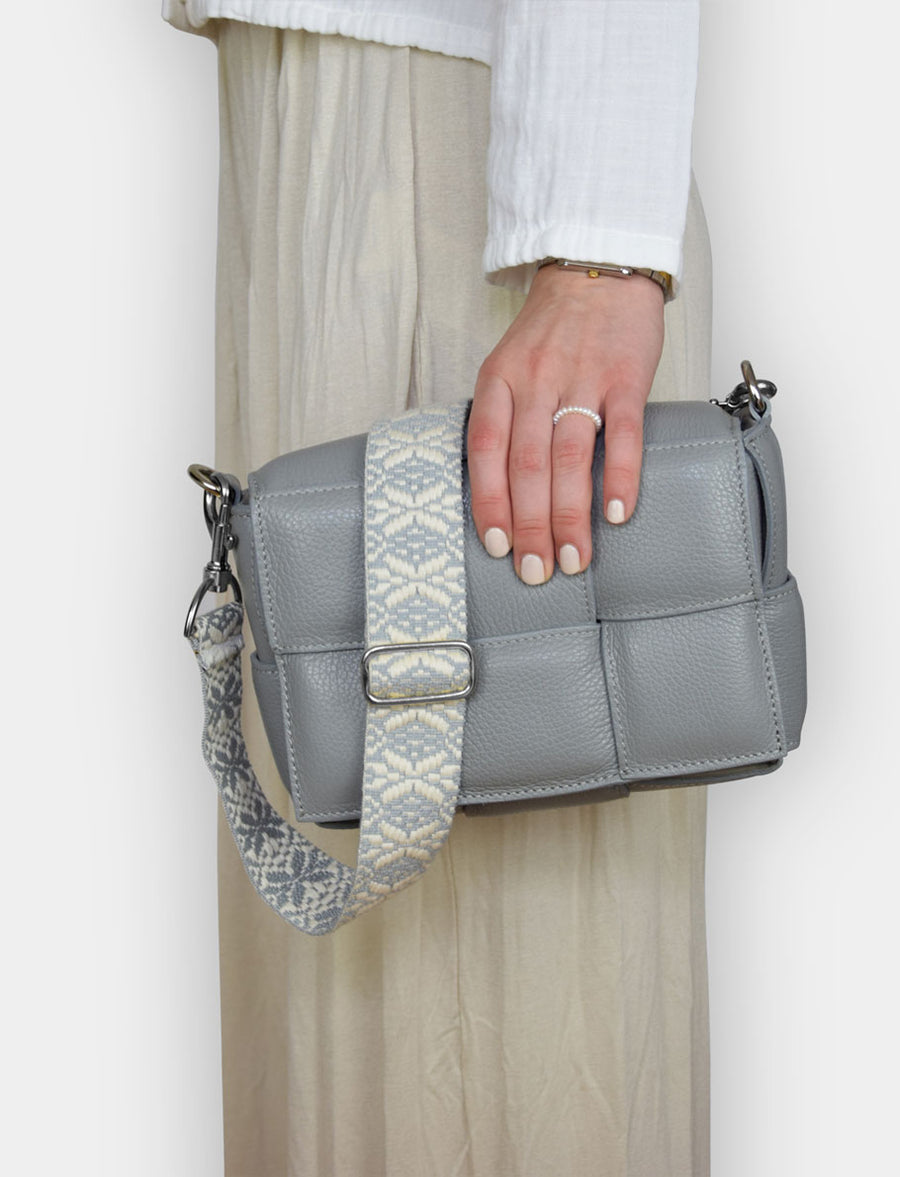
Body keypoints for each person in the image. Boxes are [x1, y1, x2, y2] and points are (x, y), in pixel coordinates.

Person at [165, 2, 712, 1173]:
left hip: (465, 153)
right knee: (350, 999)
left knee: (518, 986)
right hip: (325, 120)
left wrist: (595, 243)